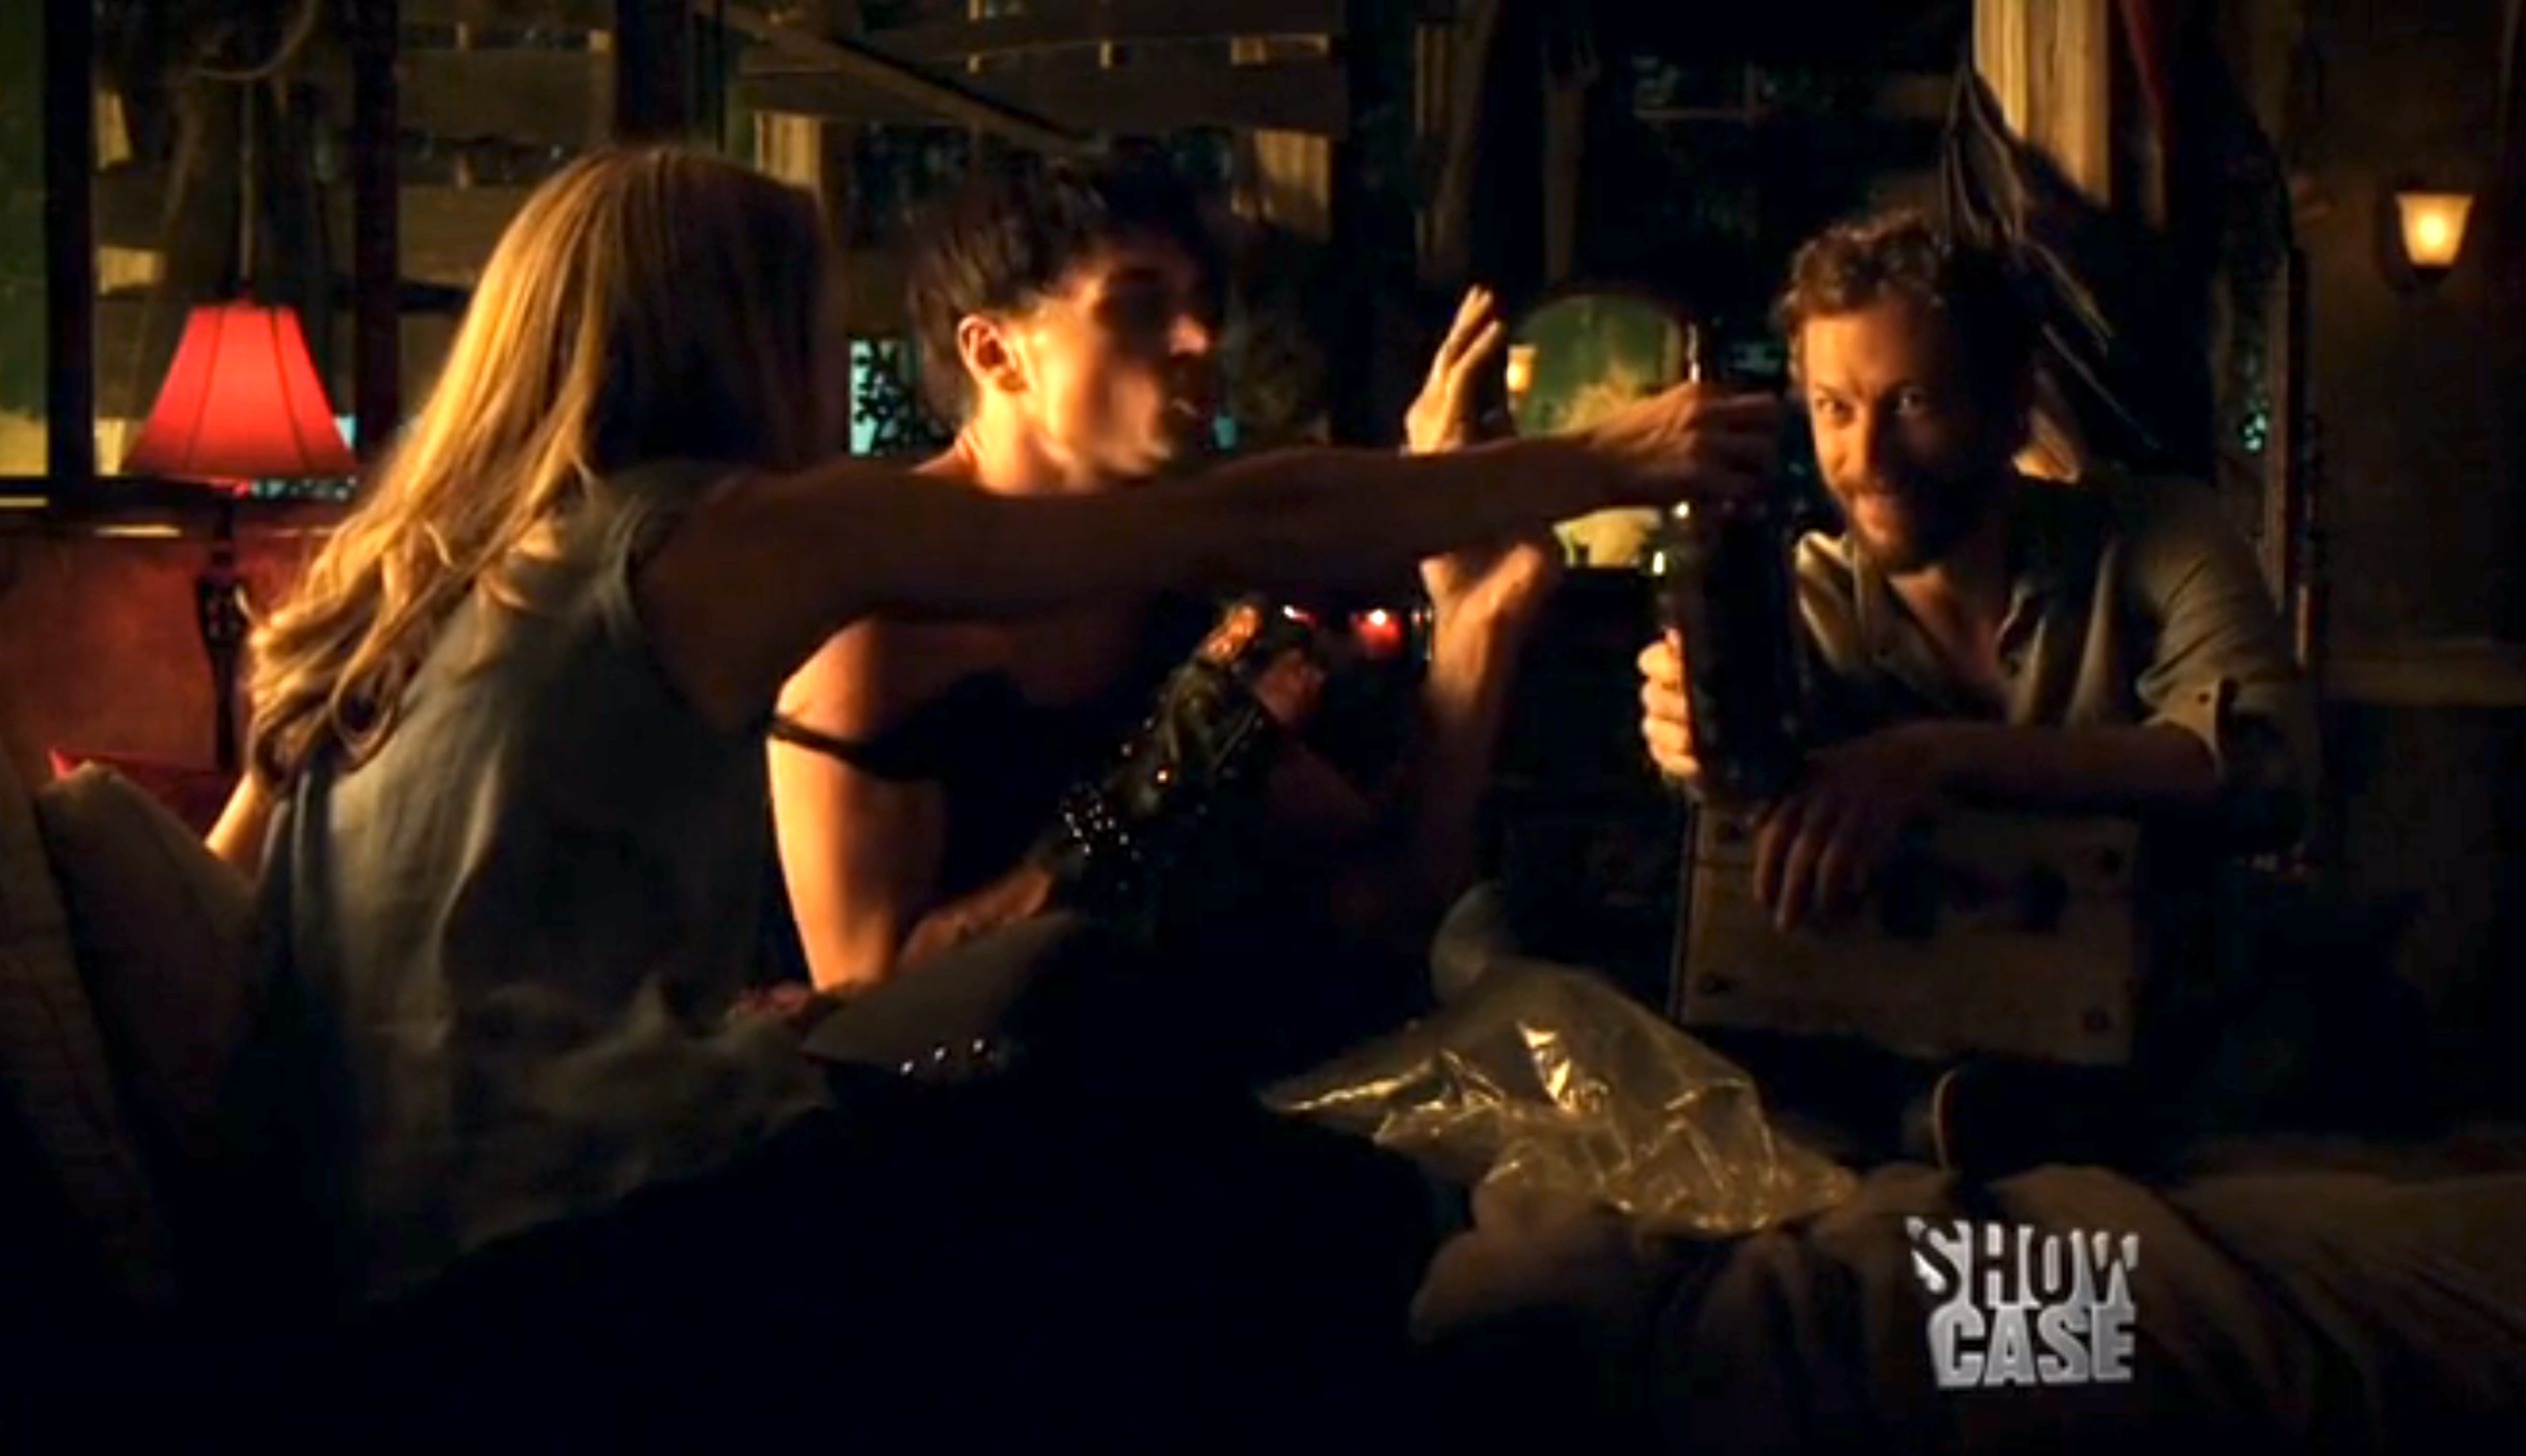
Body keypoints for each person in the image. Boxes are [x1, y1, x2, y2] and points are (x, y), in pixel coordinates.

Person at [192, 142, 1777, 1448]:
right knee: (1176, 1131)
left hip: (373, 1260)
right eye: (811, 323)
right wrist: (1605, 457)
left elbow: (223, 903)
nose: (826, 371)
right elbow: (1244, 516)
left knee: (1179, 1129)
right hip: (553, 1260)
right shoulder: (702, 539)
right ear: (731, 335)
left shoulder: (403, 589)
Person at [765, 154, 1551, 1079]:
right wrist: (1152, 790)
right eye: (1139, 306)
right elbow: (872, 1035)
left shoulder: (1175, 595)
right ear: (994, 352)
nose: (1197, 339)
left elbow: (1384, 910)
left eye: (1204, 307)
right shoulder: (880, 622)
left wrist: (1476, 628)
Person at [1635, 208, 2318, 1171]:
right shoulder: (1801, 598)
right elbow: (1744, 812)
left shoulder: (2159, 532)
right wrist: (1693, 739)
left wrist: (1934, 759)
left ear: (2011, 404)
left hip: (2142, 1016)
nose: (1866, 459)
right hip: (1896, 1029)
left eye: (1911, 401)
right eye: (1834, 408)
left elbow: (2265, 767)